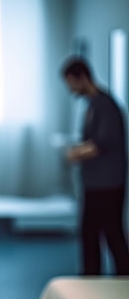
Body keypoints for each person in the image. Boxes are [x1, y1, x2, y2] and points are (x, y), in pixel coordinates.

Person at [60, 56, 129, 276]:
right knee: (91, 235)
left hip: (108, 185)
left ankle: (122, 279)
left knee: (111, 235)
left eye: (71, 82)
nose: (70, 89)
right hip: (96, 184)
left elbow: (101, 143)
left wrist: (75, 153)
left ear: (81, 78)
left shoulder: (105, 105)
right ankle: (91, 280)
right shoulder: (92, 105)